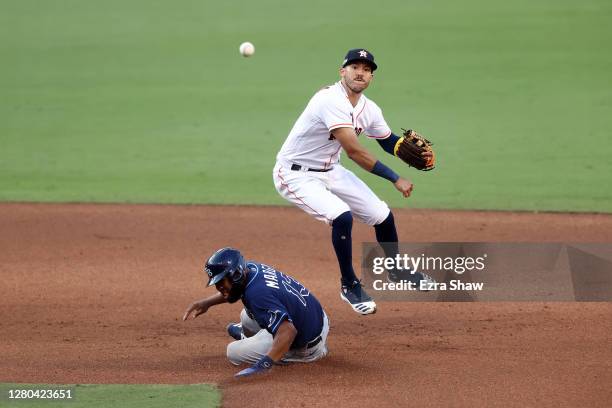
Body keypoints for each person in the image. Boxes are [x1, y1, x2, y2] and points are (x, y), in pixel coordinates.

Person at [273, 48, 434, 315]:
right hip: (295, 174)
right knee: (342, 216)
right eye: (355, 67)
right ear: (342, 71)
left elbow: (386, 140)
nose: (361, 72)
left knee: (382, 215)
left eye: (367, 69)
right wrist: (396, 178)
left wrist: (403, 147)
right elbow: (355, 152)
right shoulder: (329, 100)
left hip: (330, 170)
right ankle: (349, 285)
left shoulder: (369, 108)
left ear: (371, 76)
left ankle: (396, 270)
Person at [183, 247, 329, 378]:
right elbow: (233, 292)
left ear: (236, 275)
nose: (219, 288)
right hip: (315, 316)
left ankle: (307, 353)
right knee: (246, 316)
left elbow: (288, 331)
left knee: (233, 352)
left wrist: (264, 364)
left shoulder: (258, 295)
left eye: (221, 282)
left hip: (306, 341)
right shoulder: (251, 268)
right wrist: (207, 302)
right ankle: (254, 338)